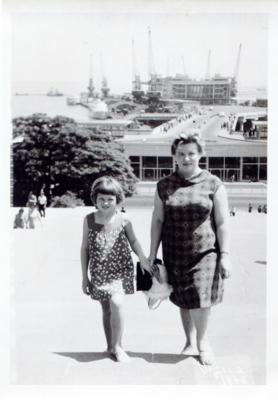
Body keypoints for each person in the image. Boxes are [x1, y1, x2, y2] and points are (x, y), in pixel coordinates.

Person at [149, 133, 232, 366]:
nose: (186, 158)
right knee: (184, 299)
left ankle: (203, 343)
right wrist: (152, 254)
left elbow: (223, 222)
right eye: (181, 154)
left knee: (200, 297)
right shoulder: (164, 185)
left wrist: (225, 255)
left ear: (200, 155)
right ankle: (189, 341)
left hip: (206, 252)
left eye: (191, 153)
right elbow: (157, 220)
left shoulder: (214, 183)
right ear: (174, 156)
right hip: (174, 251)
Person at [80, 176, 149, 363]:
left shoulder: (124, 219)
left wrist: (142, 258)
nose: (105, 203)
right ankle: (110, 345)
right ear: (95, 198)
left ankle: (118, 346)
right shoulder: (88, 220)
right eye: (101, 198)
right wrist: (84, 277)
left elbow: (133, 241)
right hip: (99, 272)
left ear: (117, 199)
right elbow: (85, 248)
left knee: (117, 303)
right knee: (106, 310)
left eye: (110, 199)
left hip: (121, 270)